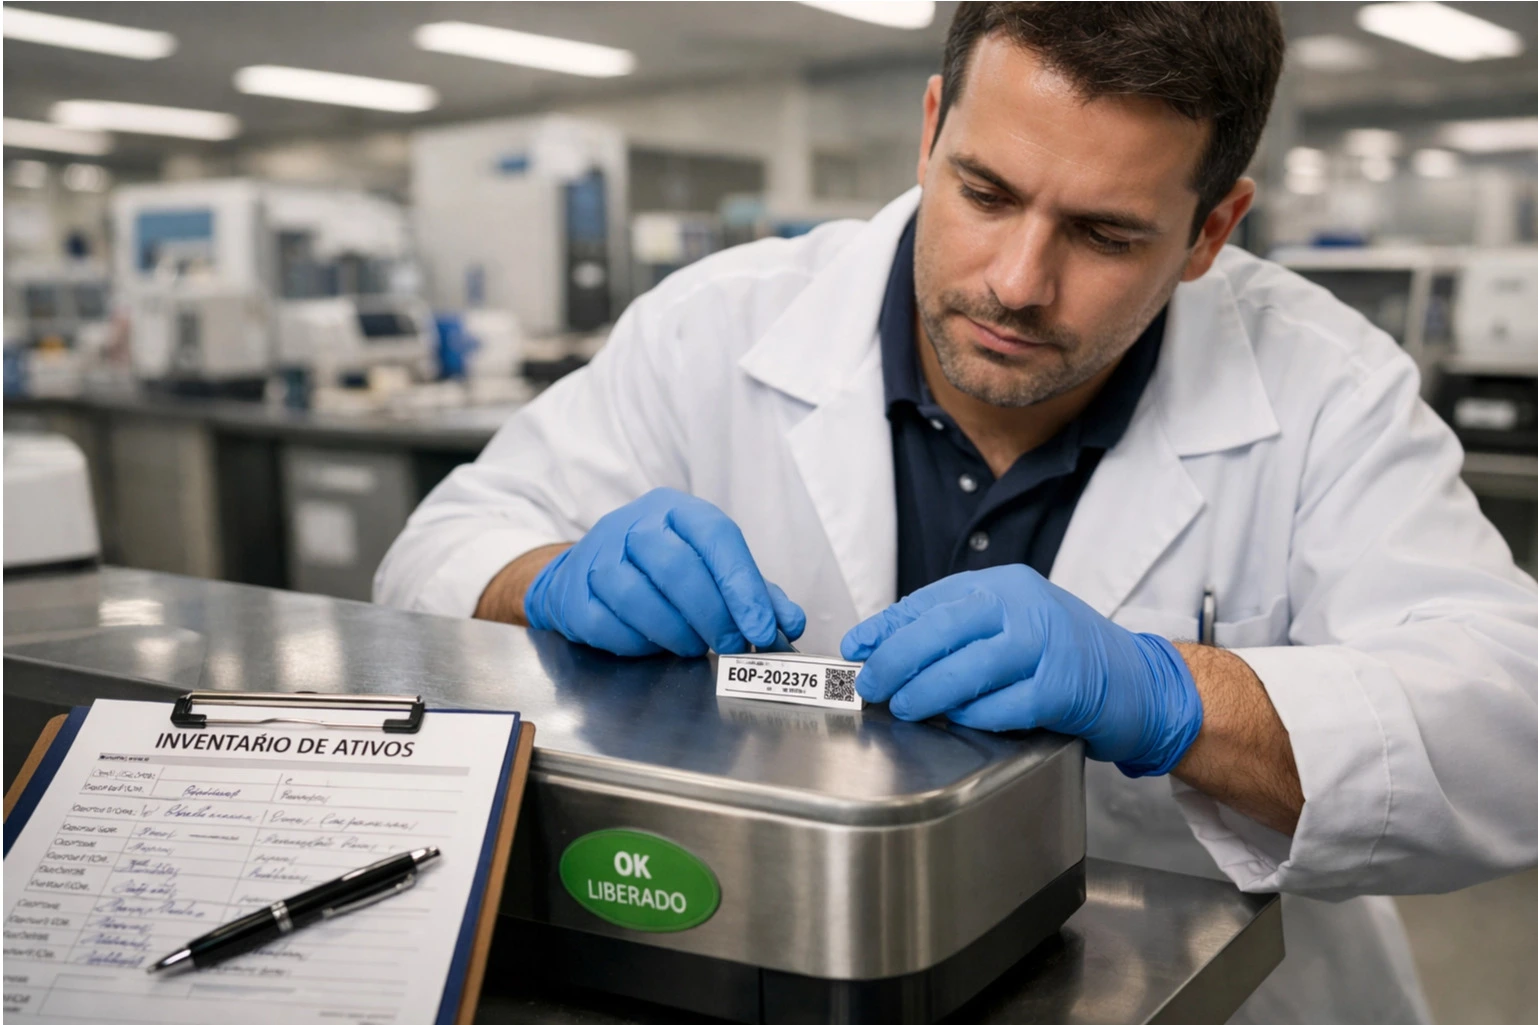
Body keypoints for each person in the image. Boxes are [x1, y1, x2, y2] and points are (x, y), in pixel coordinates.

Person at [376, 4, 1538, 1021]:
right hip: (779, 952)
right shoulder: (714, 325)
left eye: (1103, 232)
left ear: (1209, 231)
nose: (1016, 281)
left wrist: (1173, 691)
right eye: (983, 191)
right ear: (930, 127)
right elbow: (433, 552)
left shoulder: (1327, 387)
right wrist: (546, 577)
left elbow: (1507, 717)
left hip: (1202, 997)